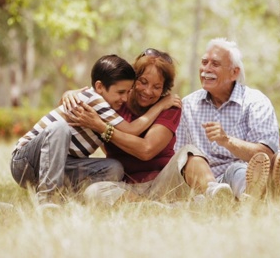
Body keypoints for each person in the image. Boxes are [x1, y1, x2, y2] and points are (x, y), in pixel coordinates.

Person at [64, 48, 234, 204]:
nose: (147, 91)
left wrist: (102, 128)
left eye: (156, 87)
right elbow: (78, 103)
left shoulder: (170, 107)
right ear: (132, 80)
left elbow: (146, 150)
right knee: (94, 192)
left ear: (164, 89)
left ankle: (214, 193)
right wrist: (70, 94)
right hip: (127, 187)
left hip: (165, 181)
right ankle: (158, 208)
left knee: (190, 152)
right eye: (143, 82)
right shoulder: (115, 101)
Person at [10, 54, 179, 206]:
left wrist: (101, 127)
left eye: (127, 92)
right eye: (122, 92)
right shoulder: (98, 102)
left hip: (61, 164)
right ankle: (47, 201)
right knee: (59, 128)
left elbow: (137, 146)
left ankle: (66, 200)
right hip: (26, 161)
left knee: (113, 168)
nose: (125, 98)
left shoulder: (111, 103)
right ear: (99, 87)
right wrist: (161, 106)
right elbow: (132, 129)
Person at [175, 38, 280, 200]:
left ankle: (269, 190)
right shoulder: (188, 105)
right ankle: (267, 193)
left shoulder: (256, 101)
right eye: (204, 62)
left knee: (257, 168)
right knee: (232, 171)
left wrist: (227, 141)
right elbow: (181, 158)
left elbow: (267, 154)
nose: (206, 69)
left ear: (234, 72)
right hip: (218, 183)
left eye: (215, 64)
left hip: (257, 169)